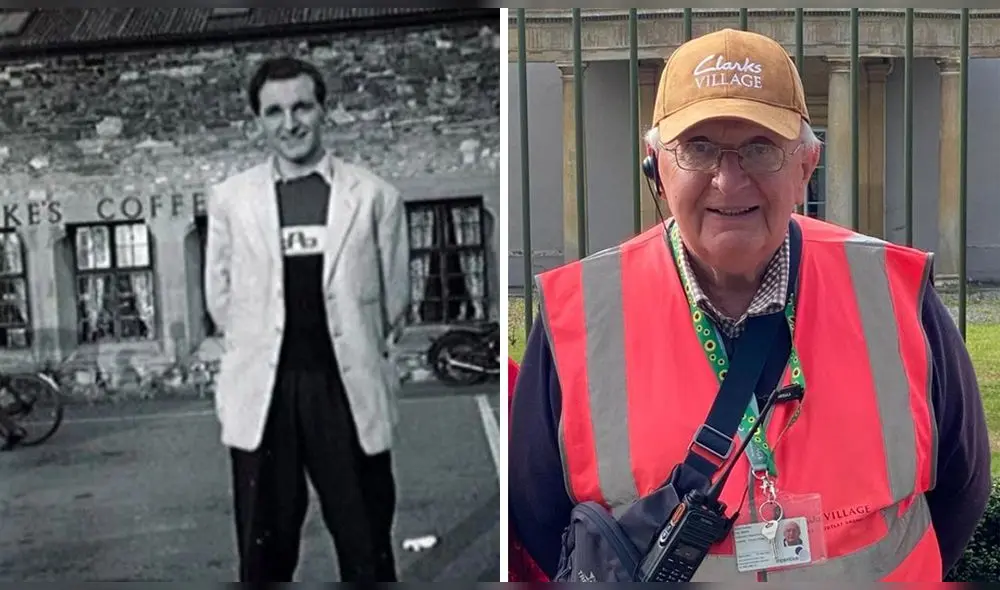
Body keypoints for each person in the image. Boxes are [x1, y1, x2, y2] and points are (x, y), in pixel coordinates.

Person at [508, 28, 991, 583]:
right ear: (656, 166)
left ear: (806, 165)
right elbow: (541, 517)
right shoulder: (579, 313)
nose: (729, 179)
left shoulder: (893, 289)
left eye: (761, 148)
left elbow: (963, 484)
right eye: (699, 148)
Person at [205, 56, 410, 582]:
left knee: (364, 540)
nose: (289, 123)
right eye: (274, 111)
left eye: (301, 106)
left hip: (345, 388)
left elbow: (393, 301)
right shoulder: (230, 201)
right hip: (264, 394)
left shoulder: (374, 197)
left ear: (323, 111)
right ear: (258, 120)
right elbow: (220, 298)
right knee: (264, 546)